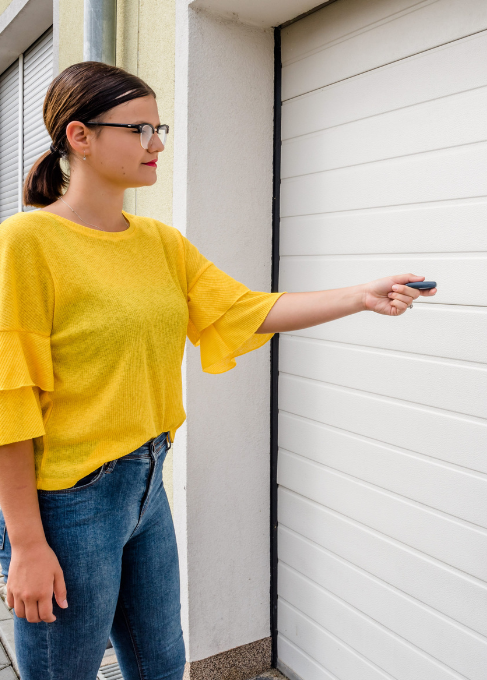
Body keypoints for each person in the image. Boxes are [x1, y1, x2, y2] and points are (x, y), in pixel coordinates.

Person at [0, 61, 436, 680]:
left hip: (147, 479)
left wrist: (360, 295)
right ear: (80, 137)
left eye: (160, 128)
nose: (156, 144)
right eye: (139, 129)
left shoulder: (161, 243)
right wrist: (25, 544)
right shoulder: (27, 243)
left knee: (162, 664)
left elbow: (243, 311)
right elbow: (8, 399)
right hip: (71, 504)